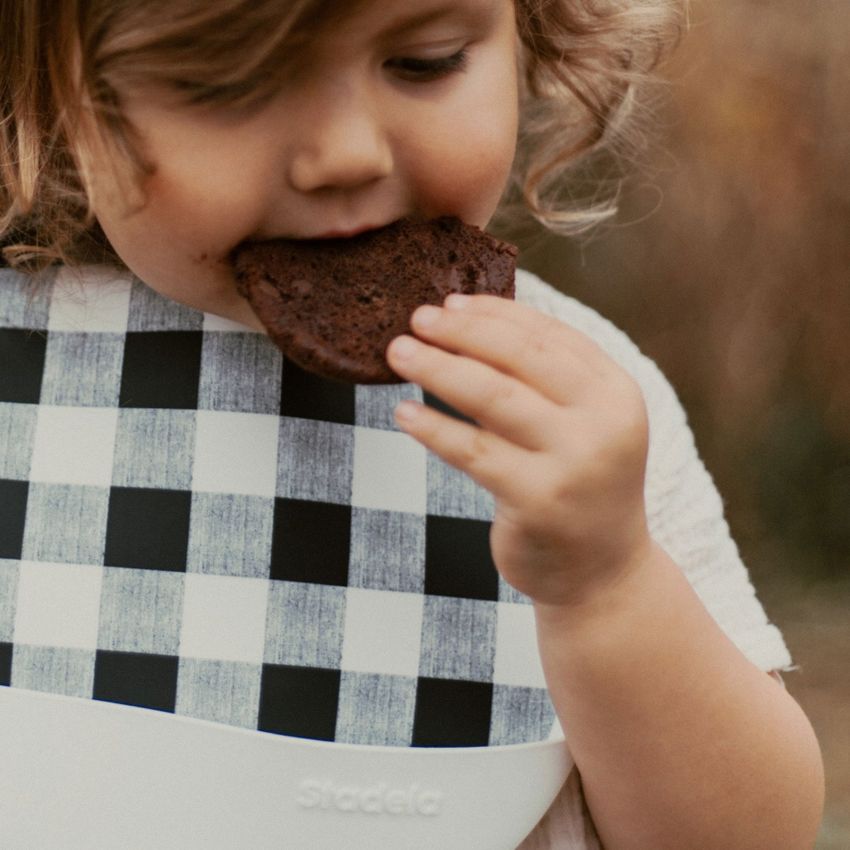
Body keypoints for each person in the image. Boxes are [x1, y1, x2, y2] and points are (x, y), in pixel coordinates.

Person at [0, 1, 824, 847]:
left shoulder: (568, 411)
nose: (345, 154)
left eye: (425, 62)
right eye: (229, 84)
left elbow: (750, 837)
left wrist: (607, 587)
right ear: (51, 90)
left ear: (530, 35)